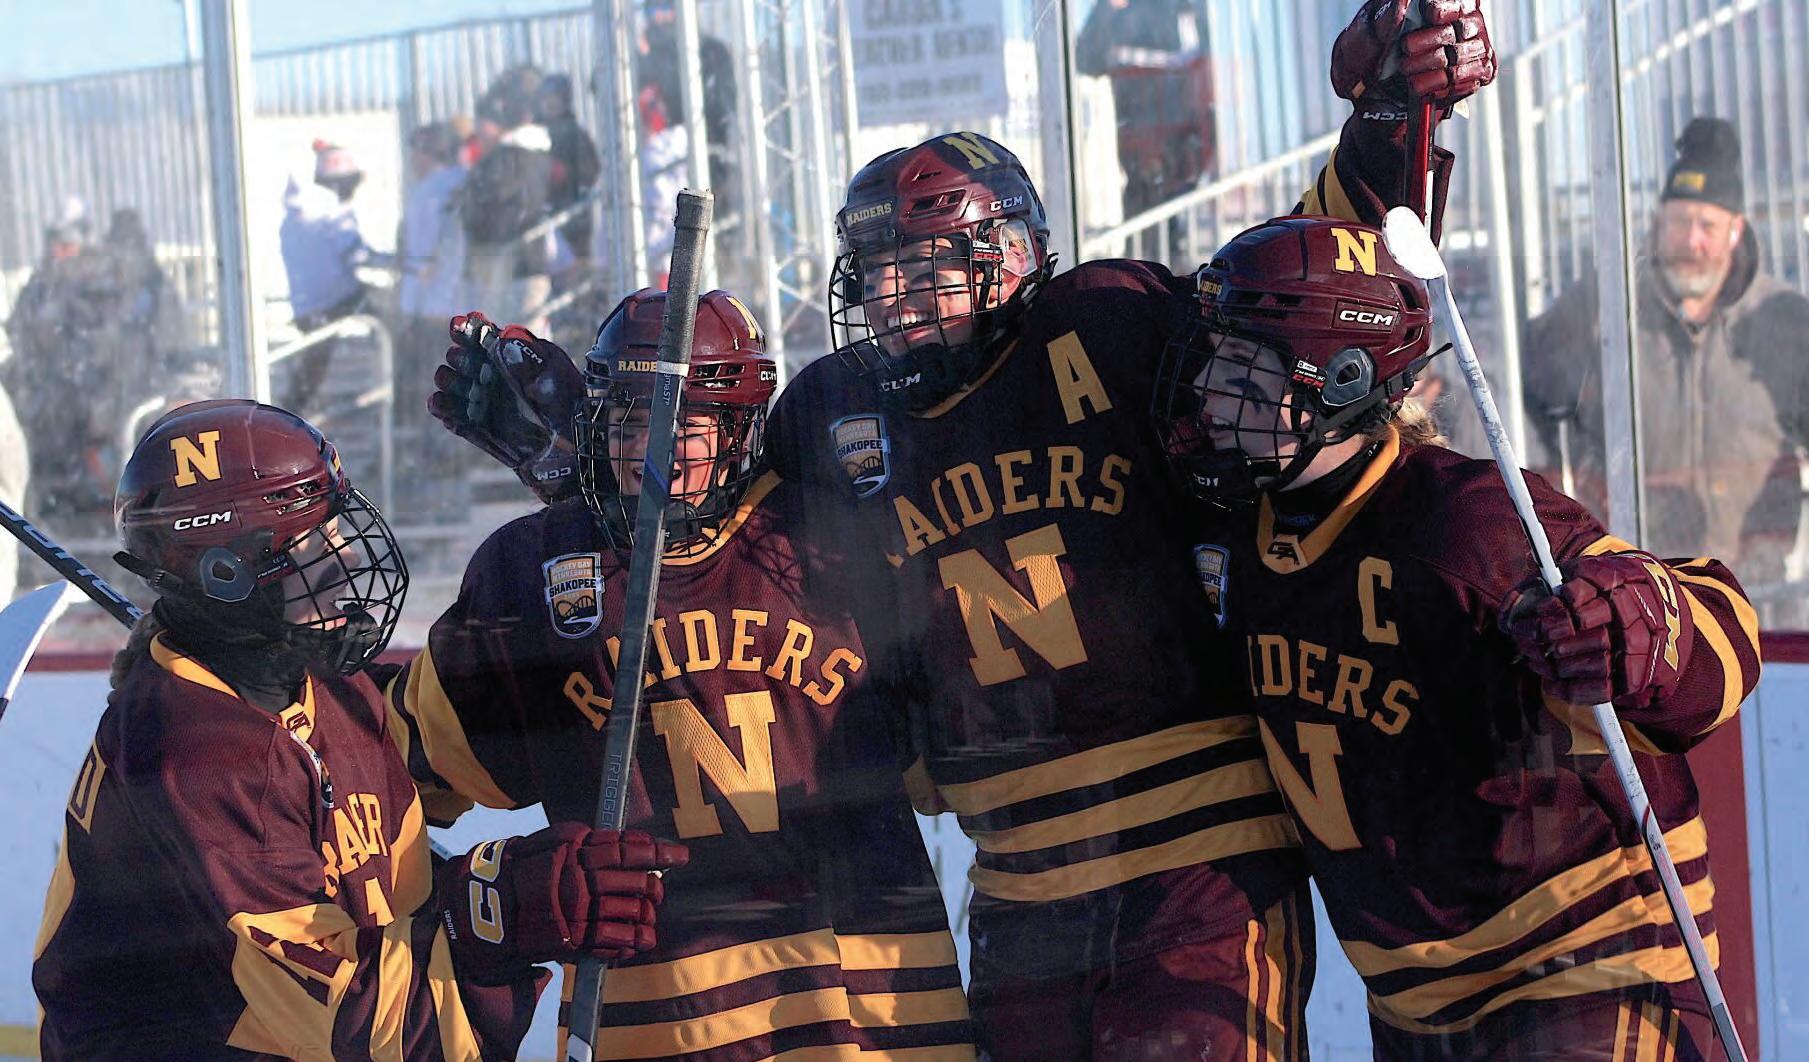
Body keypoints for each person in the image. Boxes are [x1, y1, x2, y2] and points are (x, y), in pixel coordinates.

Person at [1151, 214, 1762, 1059]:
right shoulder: (1238, 543)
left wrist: (1638, 623)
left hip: (1585, 965)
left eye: (1240, 370)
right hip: (1416, 1010)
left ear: (1339, 381)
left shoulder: (1464, 521)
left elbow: (1724, 631)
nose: (1207, 392)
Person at [398, 291, 973, 1059]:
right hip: (662, 1021)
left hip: (866, 1017)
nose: (649, 449)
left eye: (683, 425)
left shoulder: (838, 541)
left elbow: (957, 756)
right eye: (628, 421)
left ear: (737, 430)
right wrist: (489, 891)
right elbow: (390, 778)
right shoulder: (534, 568)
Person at [32, 398, 686, 1060]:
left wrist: (592, 513)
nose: (346, 549)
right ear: (227, 573)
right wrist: (501, 910)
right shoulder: (198, 760)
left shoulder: (324, 687)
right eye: (313, 539)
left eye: (339, 523)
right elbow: (355, 1025)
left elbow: (455, 743)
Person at [1524, 117, 1809, 589]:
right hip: (1633, 586)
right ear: (1658, 224)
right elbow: (1521, 389)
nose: (1691, 241)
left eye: (1707, 225)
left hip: (1755, 586)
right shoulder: (1605, 306)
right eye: (1679, 222)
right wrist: (1573, 477)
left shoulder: (1786, 324)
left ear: (1735, 231)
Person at [1074, 0, 1214, 232]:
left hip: (1182, 149)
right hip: (1139, 153)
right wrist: (1107, 8)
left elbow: (1206, 66)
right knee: (1145, 219)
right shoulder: (1120, 12)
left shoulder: (1184, 9)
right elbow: (1085, 59)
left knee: (1173, 216)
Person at [278, 140, 380, 414]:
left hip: (310, 305)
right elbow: (357, 255)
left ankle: (292, 412)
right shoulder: (329, 212)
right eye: (347, 185)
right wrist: (401, 262)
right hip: (333, 303)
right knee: (394, 322)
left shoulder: (295, 216)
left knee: (313, 367)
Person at [398, 122, 470, 473]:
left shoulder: (430, 192)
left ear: (429, 153)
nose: (412, 160)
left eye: (416, 152)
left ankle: (441, 454)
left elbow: (425, 258)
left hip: (437, 307)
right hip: (461, 302)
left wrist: (410, 309)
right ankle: (451, 451)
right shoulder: (460, 181)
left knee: (439, 381)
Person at [462, 70, 557, 334]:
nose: (480, 131)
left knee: (522, 341)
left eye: (486, 123)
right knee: (500, 340)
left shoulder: (515, 156)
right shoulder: (504, 157)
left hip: (520, 264)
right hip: (504, 267)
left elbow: (501, 204)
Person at [535, 74, 602, 273]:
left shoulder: (575, 133)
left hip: (572, 215)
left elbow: (591, 172)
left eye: (554, 97)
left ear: (565, 100)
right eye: (545, 98)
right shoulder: (535, 132)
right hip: (542, 213)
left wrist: (564, 173)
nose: (549, 103)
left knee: (576, 271)